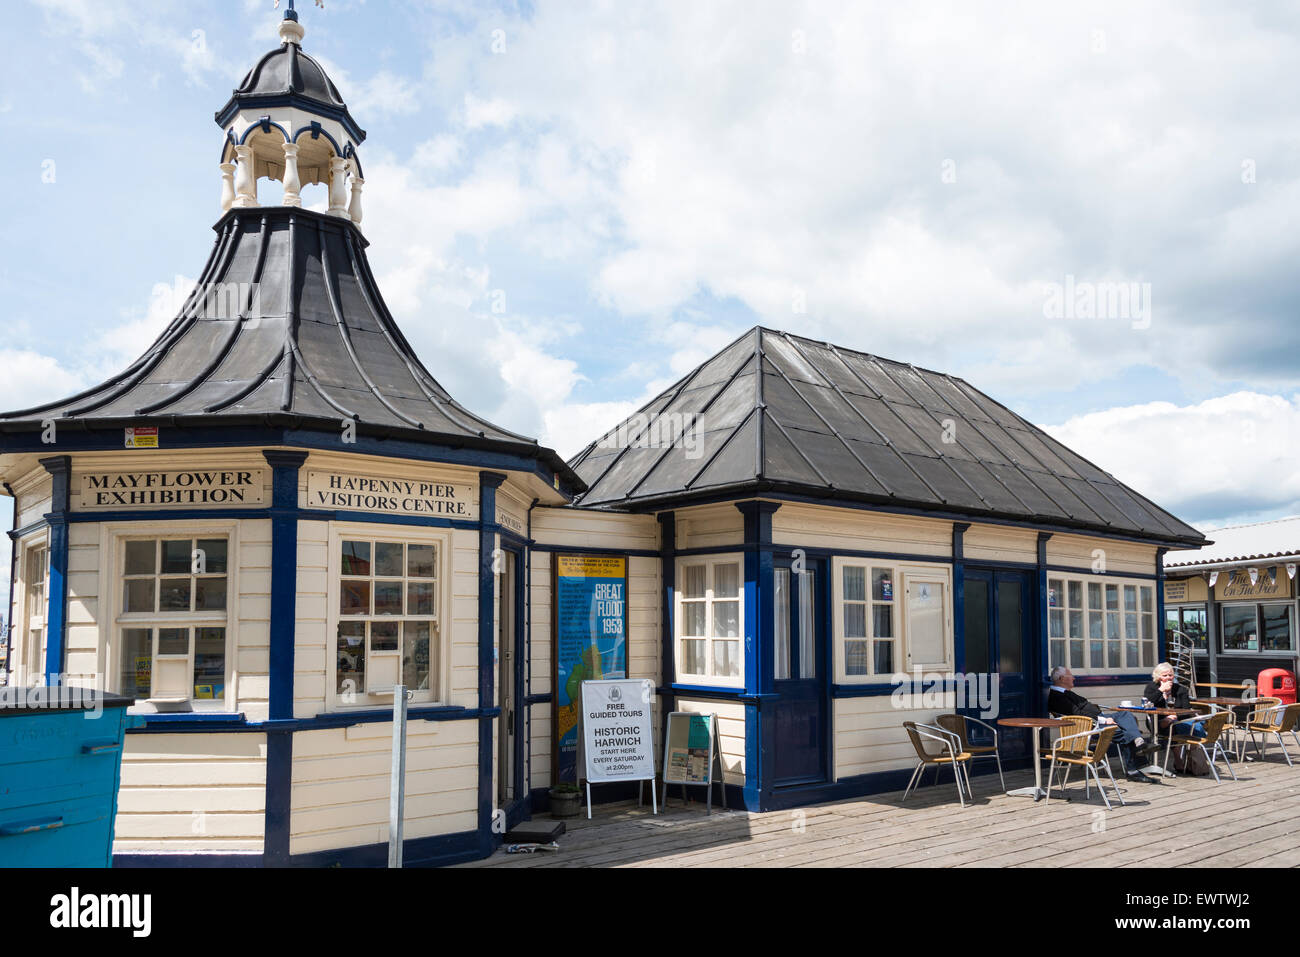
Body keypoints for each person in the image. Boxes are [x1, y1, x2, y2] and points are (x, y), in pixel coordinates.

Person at [1048, 665, 1159, 779]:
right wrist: (1103, 720)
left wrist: (1103, 717)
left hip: (1099, 718)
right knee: (1126, 732)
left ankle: (1138, 741)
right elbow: (1078, 716)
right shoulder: (1056, 696)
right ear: (1061, 679)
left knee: (1125, 714)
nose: (1074, 678)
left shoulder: (1065, 692)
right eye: (1071, 675)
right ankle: (1134, 768)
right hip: (1090, 726)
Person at [1144, 662, 1205, 739]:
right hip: (1157, 722)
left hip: (1177, 721)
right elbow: (1147, 703)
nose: (1168, 677)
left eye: (1170, 675)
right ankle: (1197, 745)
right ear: (1158, 677)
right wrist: (1161, 690)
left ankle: (1192, 747)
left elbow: (1186, 710)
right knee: (1195, 727)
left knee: (1195, 726)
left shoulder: (1181, 689)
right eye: (1164, 675)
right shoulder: (1152, 687)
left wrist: (1174, 716)